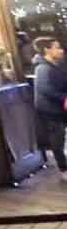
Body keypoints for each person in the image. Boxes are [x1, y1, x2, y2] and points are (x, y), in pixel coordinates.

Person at [33, 37, 67, 177]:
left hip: (57, 107)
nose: (61, 50)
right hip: (51, 109)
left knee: (59, 136)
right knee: (57, 137)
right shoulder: (43, 68)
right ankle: (64, 168)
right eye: (57, 47)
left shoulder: (53, 65)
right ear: (47, 49)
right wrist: (64, 97)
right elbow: (46, 88)